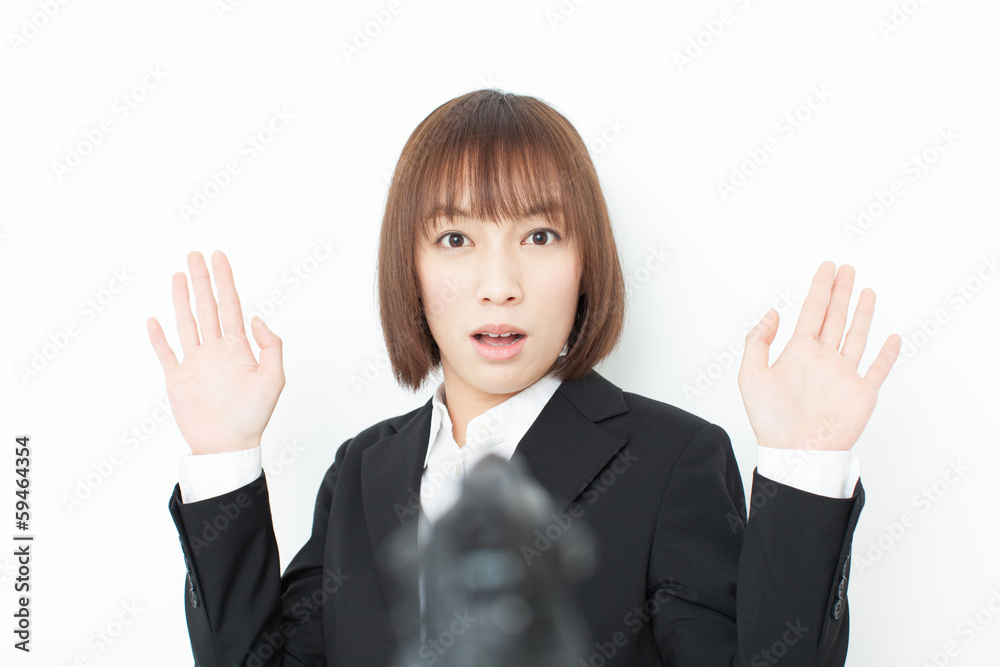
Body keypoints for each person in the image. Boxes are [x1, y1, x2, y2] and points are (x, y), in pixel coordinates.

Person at [147, 89, 900, 666]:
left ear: (585, 264)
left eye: (539, 235)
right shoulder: (362, 473)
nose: (499, 285)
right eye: (455, 238)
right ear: (409, 268)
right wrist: (222, 459)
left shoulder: (671, 462)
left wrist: (806, 466)